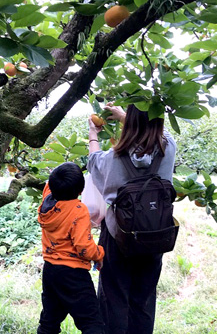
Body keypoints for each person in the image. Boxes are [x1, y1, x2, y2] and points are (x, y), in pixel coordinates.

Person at [87, 104, 177, 334]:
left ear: (130, 123)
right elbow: (161, 132)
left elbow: (93, 162)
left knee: (113, 296)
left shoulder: (112, 158)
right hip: (155, 234)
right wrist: (127, 117)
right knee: (144, 298)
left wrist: (93, 135)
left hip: (119, 235)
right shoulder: (168, 148)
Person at [37, 162, 106, 334]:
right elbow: (83, 247)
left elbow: (48, 183)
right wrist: (99, 253)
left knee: (49, 321)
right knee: (91, 322)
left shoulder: (47, 202)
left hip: (50, 271)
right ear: (81, 191)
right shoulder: (78, 210)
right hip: (73, 275)